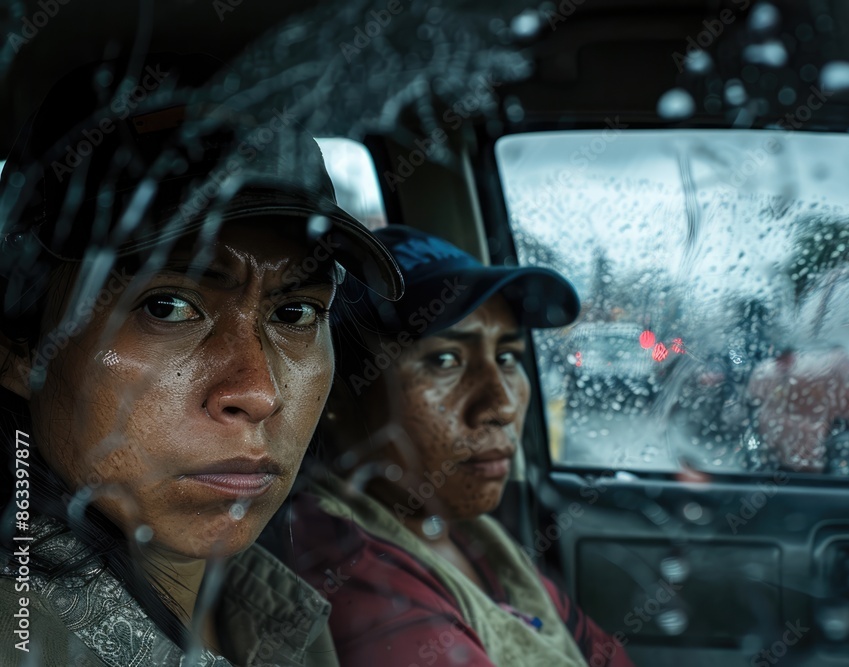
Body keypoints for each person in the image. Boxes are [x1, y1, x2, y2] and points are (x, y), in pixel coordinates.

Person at [0, 53, 402, 666]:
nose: (259, 391)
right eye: (167, 307)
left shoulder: (274, 607)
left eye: (295, 314)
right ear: (18, 348)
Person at [285, 226, 634, 667]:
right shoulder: (347, 574)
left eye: (507, 357)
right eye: (445, 360)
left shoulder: (468, 533)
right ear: (334, 389)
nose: (502, 405)